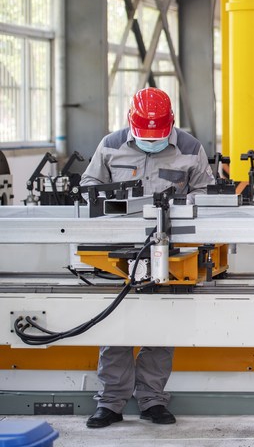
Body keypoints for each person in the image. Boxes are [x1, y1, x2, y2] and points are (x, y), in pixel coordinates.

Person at [81, 87, 215, 428]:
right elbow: (89, 185)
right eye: (145, 136)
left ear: (171, 123)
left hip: (171, 253)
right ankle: (110, 403)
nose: (152, 141)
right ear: (131, 122)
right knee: (116, 327)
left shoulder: (190, 148)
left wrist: (186, 206)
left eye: (158, 136)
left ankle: (152, 399)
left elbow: (206, 193)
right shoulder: (110, 145)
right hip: (118, 253)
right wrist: (105, 201)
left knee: (161, 327)